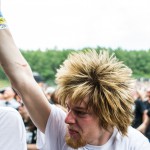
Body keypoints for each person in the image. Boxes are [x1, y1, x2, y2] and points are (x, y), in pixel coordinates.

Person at [0, 2, 150, 150]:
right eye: (68, 108)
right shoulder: (59, 129)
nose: (67, 118)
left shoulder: (135, 145)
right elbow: (20, 74)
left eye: (80, 112)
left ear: (109, 116)